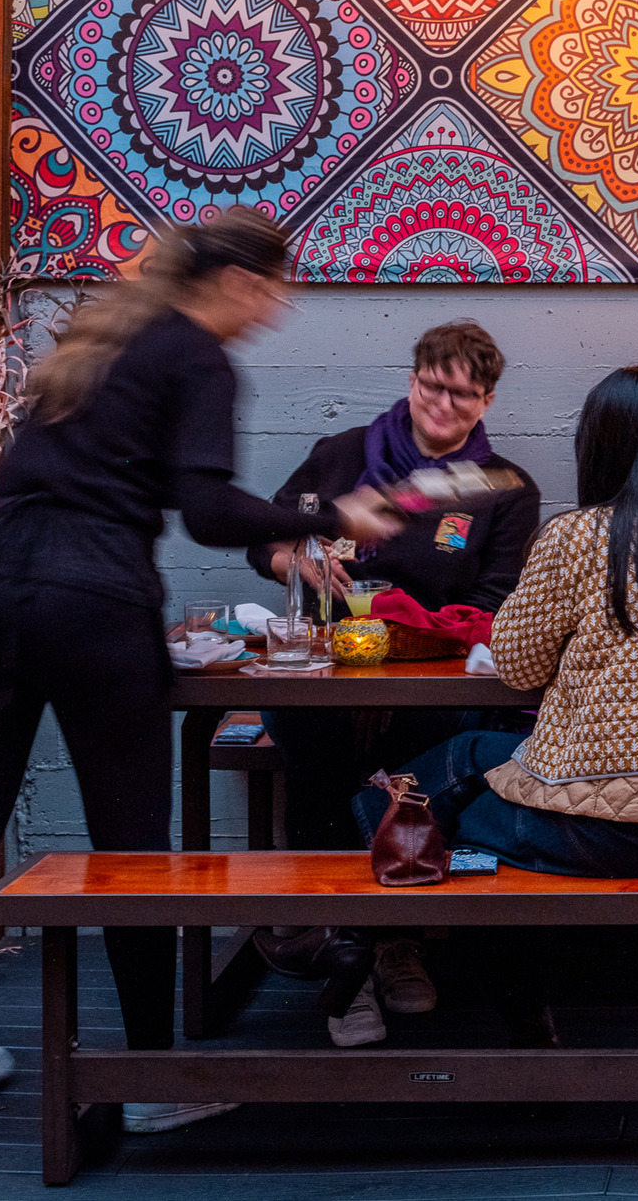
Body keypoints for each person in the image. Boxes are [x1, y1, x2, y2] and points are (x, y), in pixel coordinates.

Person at [0, 210, 400, 1131]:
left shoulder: (104, 337)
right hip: (91, 596)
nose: (279, 305)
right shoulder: (198, 355)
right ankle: (146, 1083)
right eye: (275, 286)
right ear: (239, 282)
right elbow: (207, 512)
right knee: (130, 847)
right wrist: (331, 515)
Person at [348, 365, 638, 1047]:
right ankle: (368, 944)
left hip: (594, 826)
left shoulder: (576, 536)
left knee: (450, 805)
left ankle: (382, 958)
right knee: (467, 762)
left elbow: (516, 662)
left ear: (598, 446)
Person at [244, 320, 538, 1040]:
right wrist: (295, 564)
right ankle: (340, 940)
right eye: (433, 386)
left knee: (426, 744)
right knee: (308, 728)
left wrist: (398, 669)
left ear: (488, 402)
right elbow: (264, 534)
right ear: (412, 380)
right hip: (324, 669)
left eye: (463, 396)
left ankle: (393, 939)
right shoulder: (342, 456)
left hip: (433, 685)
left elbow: (494, 605)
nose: (443, 404)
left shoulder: (503, 487)